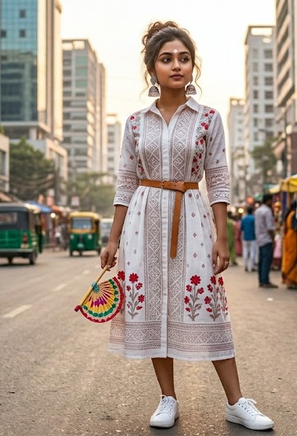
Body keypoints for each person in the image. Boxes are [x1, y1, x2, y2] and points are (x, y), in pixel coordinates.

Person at [99, 21, 274, 431]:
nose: (176, 65)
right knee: (155, 305)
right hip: (143, 219)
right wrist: (112, 239)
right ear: (152, 69)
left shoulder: (209, 118)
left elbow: (218, 179)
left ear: (192, 66)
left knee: (207, 307)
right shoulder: (135, 122)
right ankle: (167, 398)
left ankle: (236, 401)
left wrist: (222, 236)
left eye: (183, 58)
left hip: (191, 215)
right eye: (166, 59)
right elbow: (125, 182)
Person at [255, 194, 277, 288]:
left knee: (261, 260)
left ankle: (261, 280)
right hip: (267, 239)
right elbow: (270, 228)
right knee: (266, 261)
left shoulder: (258, 210)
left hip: (260, 238)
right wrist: (273, 239)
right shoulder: (267, 211)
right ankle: (265, 281)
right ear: (268, 200)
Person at [281, 201, 297, 290]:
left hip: (289, 238)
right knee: (293, 259)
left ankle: (289, 280)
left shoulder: (289, 214)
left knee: (289, 258)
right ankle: (291, 280)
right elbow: (296, 227)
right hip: (293, 239)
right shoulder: (294, 215)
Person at [240, 206, 257, 272]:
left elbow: (241, 228)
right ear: (252, 211)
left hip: (245, 237)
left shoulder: (243, 218)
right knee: (252, 252)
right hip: (252, 237)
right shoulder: (253, 218)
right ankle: (252, 266)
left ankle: (246, 266)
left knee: (245, 252)